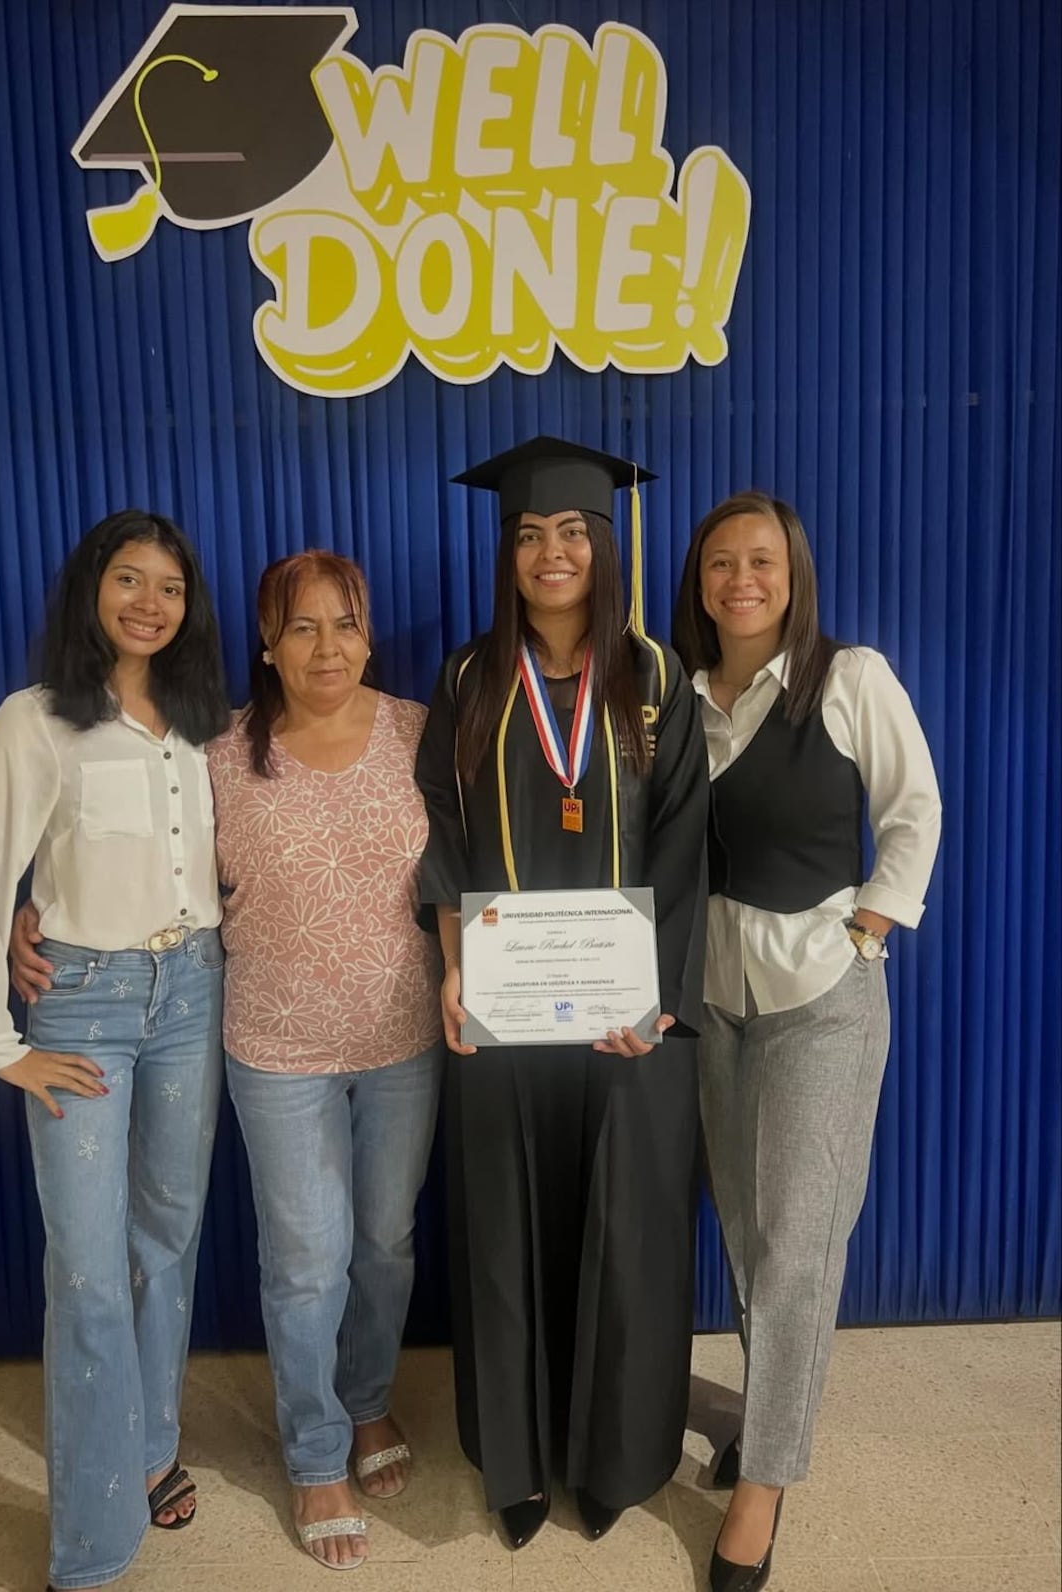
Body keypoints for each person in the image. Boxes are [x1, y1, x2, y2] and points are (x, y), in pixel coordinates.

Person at [13, 549, 443, 1575]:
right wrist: (39, 904)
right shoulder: (219, 750)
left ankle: (368, 1396)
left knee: (385, 1241)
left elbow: (479, 857)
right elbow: (137, 857)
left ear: (370, 634)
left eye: (344, 623)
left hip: (403, 1035)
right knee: (304, 1258)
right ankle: (315, 1448)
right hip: (274, 1043)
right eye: (301, 627)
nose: (327, 646)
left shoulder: (421, 734)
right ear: (266, 643)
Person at [414, 437, 710, 1549]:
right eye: (531, 533)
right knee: (504, 1229)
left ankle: (614, 1457)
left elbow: (687, 844)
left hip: (630, 1023)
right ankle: (521, 1462)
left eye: (574, 531)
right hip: (498, 1010)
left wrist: (659, 995)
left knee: (625, 1231)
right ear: (508, 551)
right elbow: (438, 832)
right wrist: (450, 961)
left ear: (606, 542)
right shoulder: (468, 676)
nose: (553, 551)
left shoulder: (660, 677)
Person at [0, 509, 231, 1592]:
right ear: (90, 590)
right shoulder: (37, 719)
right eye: (127, 579)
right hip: (83, 1004)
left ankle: (151, 1442)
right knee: (89, 1271)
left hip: (193, 992)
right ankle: (93, 1545)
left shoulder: (208, 724)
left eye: (168, 585)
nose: (148, 603)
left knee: (168, 1237)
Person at [672, 491, 942, 1592]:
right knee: (745, 1232)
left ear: (794, 573)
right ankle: (765, 1421)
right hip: (716, 999)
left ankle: (763, 1485)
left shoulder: (850, 676)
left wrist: (875, 918)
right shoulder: (680, 698)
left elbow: (916, 805)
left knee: (797, 1247)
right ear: (699, 578)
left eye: (763, 559)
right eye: (722, 560)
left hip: (823, 995)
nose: (743, 577)